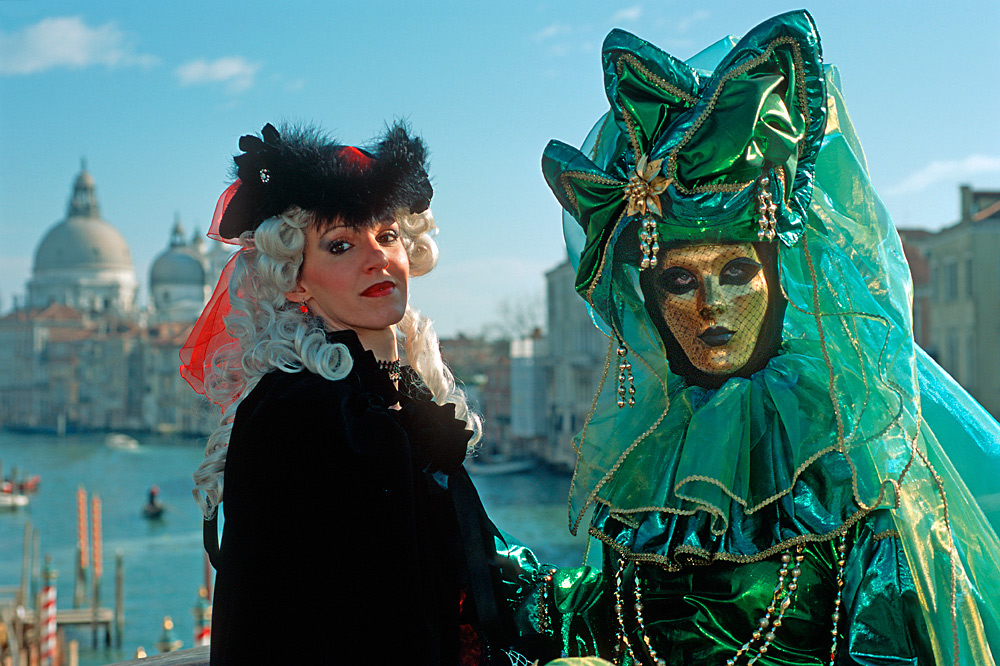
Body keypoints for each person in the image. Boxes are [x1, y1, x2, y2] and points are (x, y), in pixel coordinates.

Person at [532, 10, 1000, 665]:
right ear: (649, 304)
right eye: (677, 280)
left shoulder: (847, 483)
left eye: (736, 270)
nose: (711, 306)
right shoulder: (642, 479)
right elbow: (577, 620)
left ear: (782, 285)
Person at [182, 122, 524, 665]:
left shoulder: (392, 396)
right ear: (296, 280)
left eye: (387, 236)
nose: (376, 259)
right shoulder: (301, 414)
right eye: (341, 245)